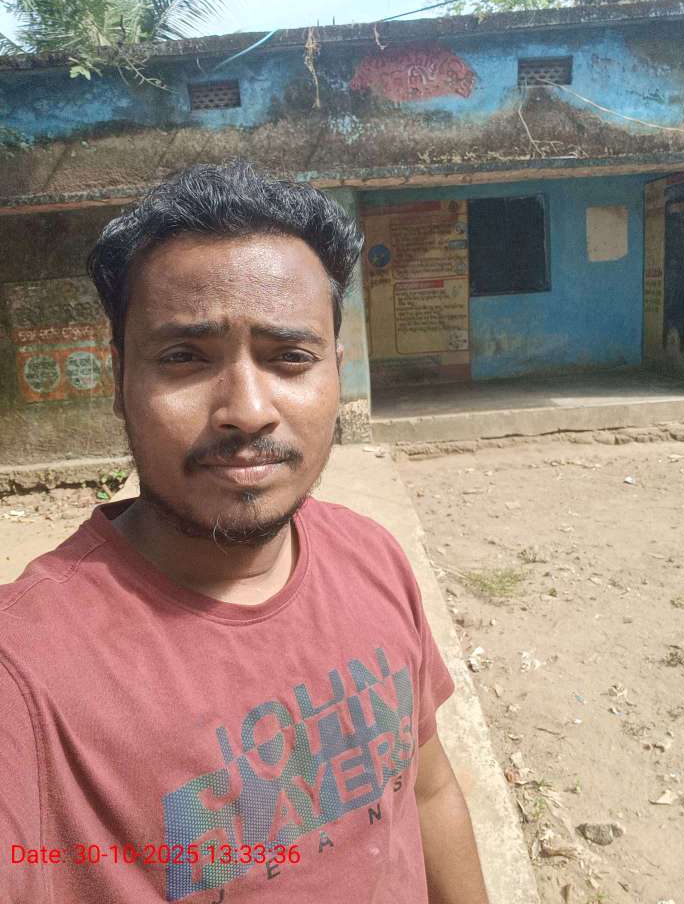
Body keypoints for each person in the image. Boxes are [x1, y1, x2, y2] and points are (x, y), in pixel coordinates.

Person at [0, 162, 489, 904]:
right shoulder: (27, 674)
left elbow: (427, 789)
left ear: (336, 374)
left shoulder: (372, 557)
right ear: (119, 379)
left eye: (289, 357)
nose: (248, 410)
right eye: (184, 358)